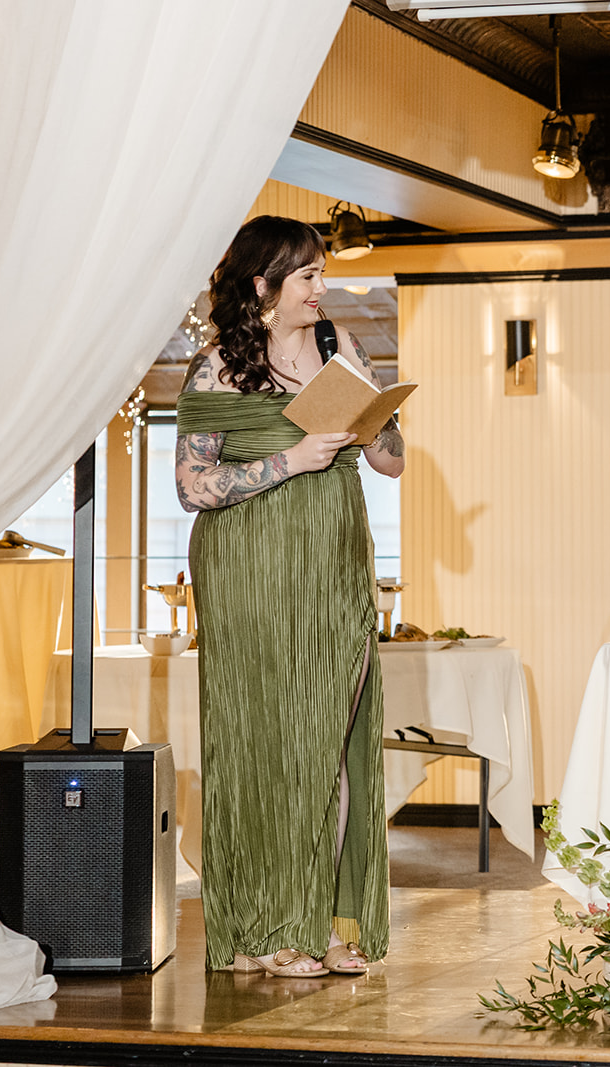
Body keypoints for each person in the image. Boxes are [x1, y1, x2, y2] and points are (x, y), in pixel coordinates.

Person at [175, 216, 405, 978]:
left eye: (321, 273)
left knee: (327, 741)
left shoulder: (342, 350)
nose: (322, 287)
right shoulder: (216, 369)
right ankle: (261, 927)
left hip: (333, 566)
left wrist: (375, 431)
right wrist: (290, 460)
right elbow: (191, 486)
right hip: (246, 570)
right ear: (263, 287)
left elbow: (394, 463)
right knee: (258, 743)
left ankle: (323, 919)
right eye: (307, 275)